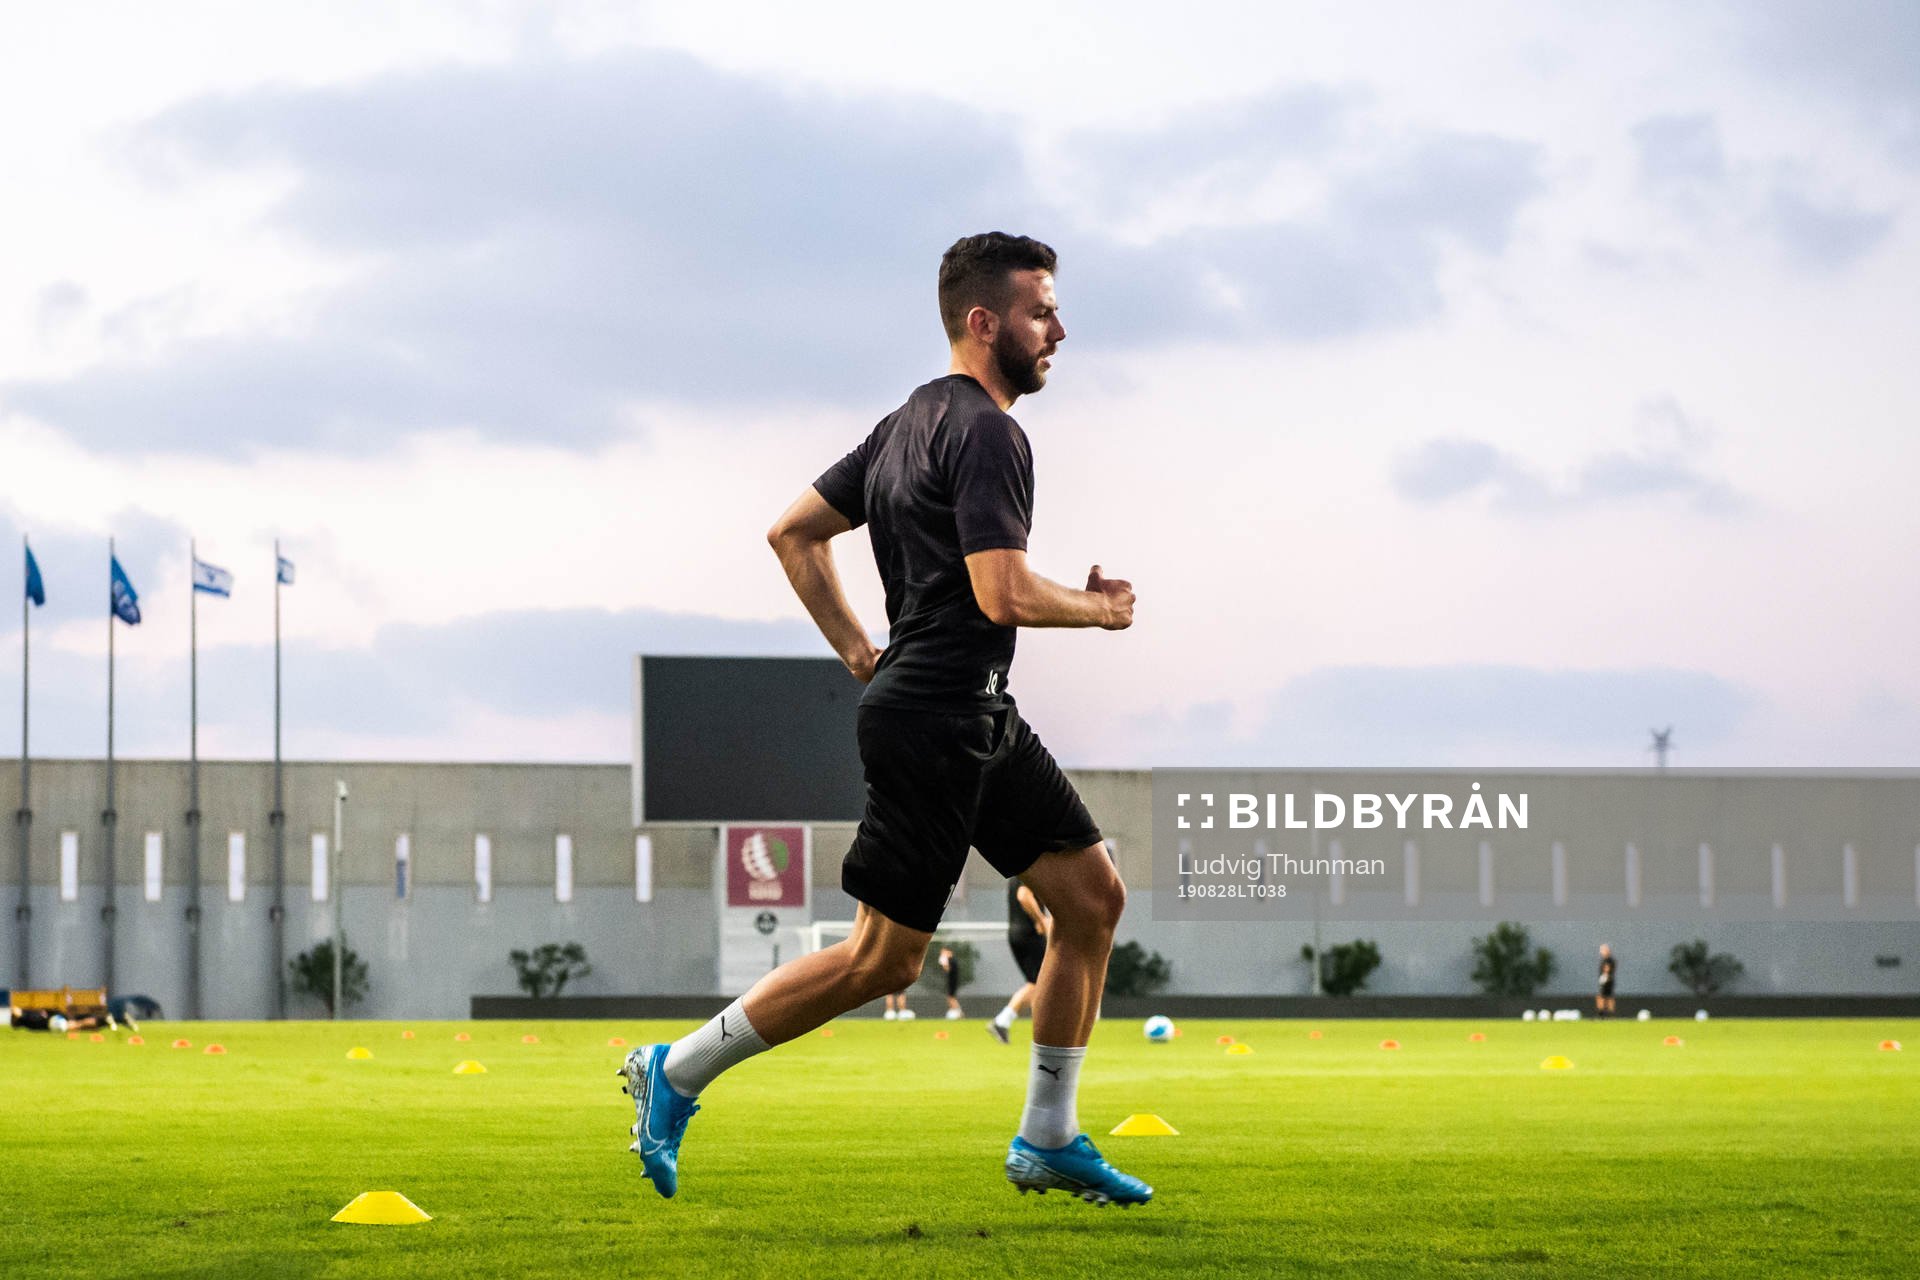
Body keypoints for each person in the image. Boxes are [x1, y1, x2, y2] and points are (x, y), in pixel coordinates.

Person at [619, 232, 1148, 1207]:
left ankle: (1049, 1133)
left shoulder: (906, 423)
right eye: (1042, 311)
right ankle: (675, 1068)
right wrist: (1100, 608)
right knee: (884, 958)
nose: (1059, 330)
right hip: (938, 717)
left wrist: (863, 651)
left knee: (1091, 899)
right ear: (983, 322)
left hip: (972, 711)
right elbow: (1000, 590)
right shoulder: (988, 432)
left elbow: (794, 532)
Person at [988, 879, 1050, 1044]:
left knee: (1037, 983)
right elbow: (1023, 896)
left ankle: (1040, 1027)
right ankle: (1002, 1021)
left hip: (1016, 933)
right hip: (1029, 933)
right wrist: (1041, 919)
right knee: (1039, 982)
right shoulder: (1030, 868)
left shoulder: (1015, 873)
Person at [938, 946, 963, 1020]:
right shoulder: (951, 960)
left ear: (949, 952)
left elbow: (948, 970)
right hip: (952, 981)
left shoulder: (952, 960)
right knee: (950, 998)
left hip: (953, 981)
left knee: (951, 998)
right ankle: (957, 1013)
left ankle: (959, 1013)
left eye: (943, 952)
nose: (942, 954)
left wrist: (944, 963)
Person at [1597, 943, 1617, 1019]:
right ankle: (1606, 1014)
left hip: (1607, 981)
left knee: (1605, 998)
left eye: (1602, 950)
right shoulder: (1606, 960)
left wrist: (1604, 977)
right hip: (1607, 980)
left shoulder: (1608, 960)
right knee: (1605, 997)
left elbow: (1607, 969)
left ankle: (1603, 1015)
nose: (1601, 952)